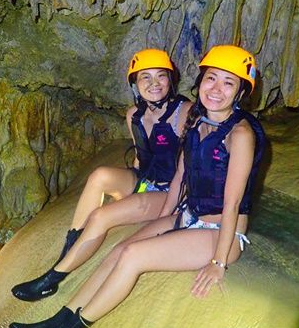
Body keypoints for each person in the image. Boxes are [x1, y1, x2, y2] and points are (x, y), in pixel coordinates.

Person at [10, 44, 266, 328]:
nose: (216, 89)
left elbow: (233, 203)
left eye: (229, 83)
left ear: (241, 92)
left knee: (133, 256)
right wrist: (165, 219)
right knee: (119, 250)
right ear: (201, 81)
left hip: (220, 232)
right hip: (188, 216)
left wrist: (218, 262)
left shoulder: (240, 134)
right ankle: (60, 319)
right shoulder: (198, 121)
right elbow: (181, 176)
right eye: (211, 78)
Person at [11, 49, 192, 301]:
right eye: (145, 77)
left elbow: (191, 167)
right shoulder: (134, 114)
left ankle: (52, 278)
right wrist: (133, 187)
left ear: (171, 80)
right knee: (99, 176)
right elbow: (140, 155)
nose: (154, 83)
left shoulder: (185, 112)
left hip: (172, 191)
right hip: (147, 180)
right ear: (135, 84)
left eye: (161, 76)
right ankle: (70, 247)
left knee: (101, 216)